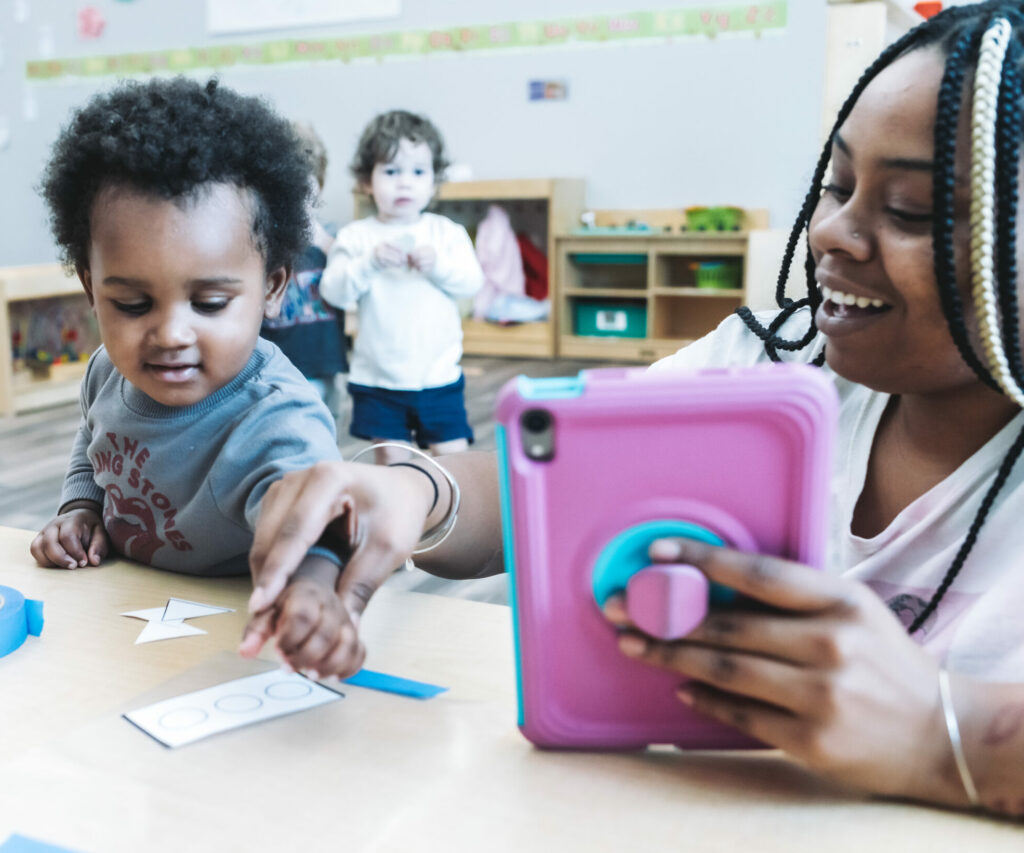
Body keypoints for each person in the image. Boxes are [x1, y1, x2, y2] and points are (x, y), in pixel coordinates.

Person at [246, 1, 1024, 815]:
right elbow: (530, 489)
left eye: (908, 209)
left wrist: (938, 737)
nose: (831, 231)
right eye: (835, 186)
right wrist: (415, 488)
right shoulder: (766, 364)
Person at [29, 77, 356, 679]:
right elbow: (94, 439)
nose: (171, 334)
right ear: (90, 288)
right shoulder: (108, 369)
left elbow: (312, 521)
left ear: (273, 287)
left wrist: (312, 590)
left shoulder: (276, 416)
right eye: (131, 305)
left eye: (208, 303)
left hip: (230, 642)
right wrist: (81, 506)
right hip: (119, 622)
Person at [318, 109, 484, 464]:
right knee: (394, 466)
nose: (404, 182)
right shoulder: (357, 236)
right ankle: (406, 520)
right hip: (378, 380)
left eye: (418, 172)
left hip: (438, 374)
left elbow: (471, 282)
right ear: (367, 181)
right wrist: (370, 263)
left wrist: (438, 265)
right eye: (391, 172)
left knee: (455, 460)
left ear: (434, 181)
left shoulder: (445, 234)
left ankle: (459, 518)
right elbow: (334, 291)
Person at [260, 121, 348, 417]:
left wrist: (333, 249)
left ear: (319, 187)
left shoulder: (334, 243)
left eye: (305, 190)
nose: (296, 201)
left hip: (323, 363)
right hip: (274, 367)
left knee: (325, 429)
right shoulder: (263, 244)